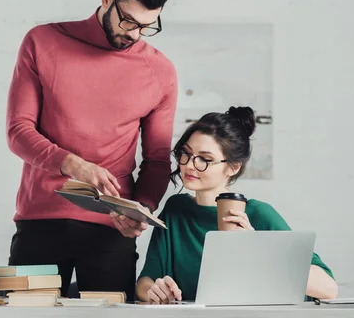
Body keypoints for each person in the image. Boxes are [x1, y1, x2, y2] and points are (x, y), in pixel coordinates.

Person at [5, 0, 178, 301]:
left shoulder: (161, 71)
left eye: (147, 26)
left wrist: (141, 209)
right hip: (40, 222)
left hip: (111, 232)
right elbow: (18, 131)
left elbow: (157, 160)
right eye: (128, 21)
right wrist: (75, 165)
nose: (134, 34)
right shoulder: (42, 41)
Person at [136, 106, 339, 303]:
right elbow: (145, 281)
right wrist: (154, 291)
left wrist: (256, 249)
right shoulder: (176, 210)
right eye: (186, 153)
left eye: (204, 159)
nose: (189, 164)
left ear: (233, 167)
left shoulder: (258, 214)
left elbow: (328, 288)